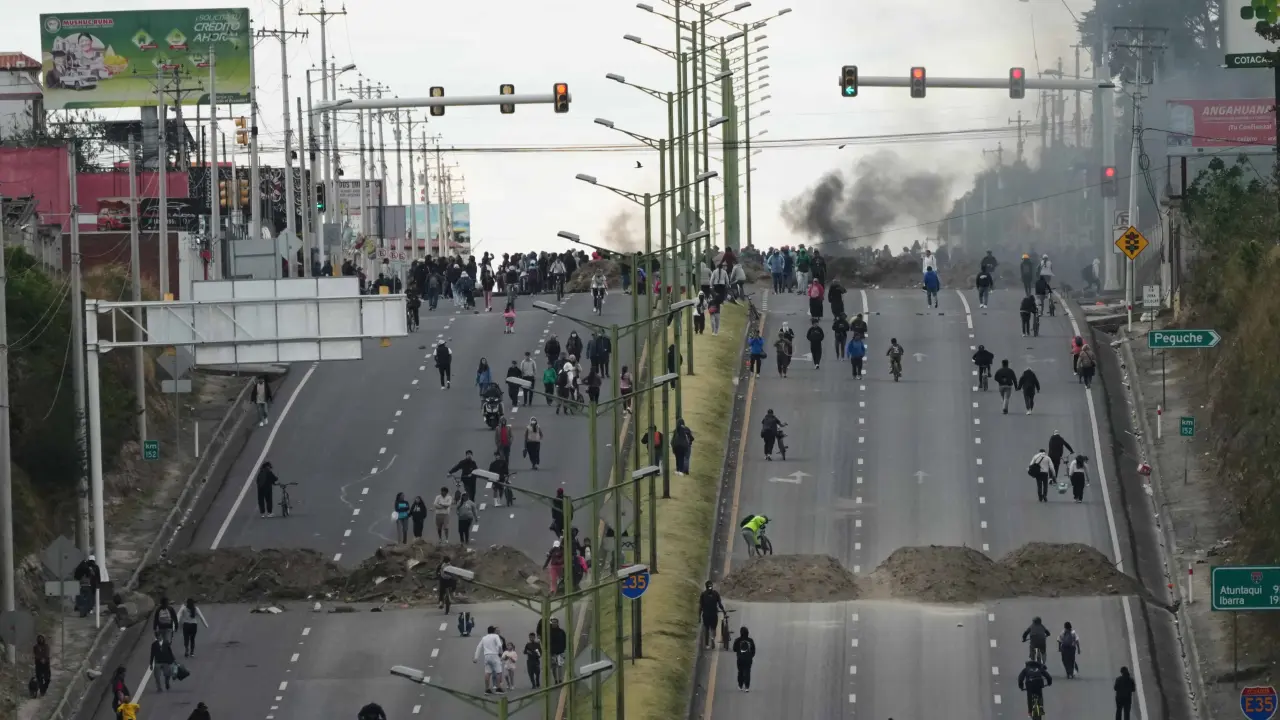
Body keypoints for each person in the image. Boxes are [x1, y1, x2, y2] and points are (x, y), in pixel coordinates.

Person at [475, 625, 506, 694]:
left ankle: (487, 689)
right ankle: (498, 688)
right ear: (494, 631)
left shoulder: (484, 638)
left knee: (487, 672)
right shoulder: (495, 636)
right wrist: (501, 652)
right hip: (494, 655)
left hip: (487, 655)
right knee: (499, 672)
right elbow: (499, 645)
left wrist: (476, 657)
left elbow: (479, 647)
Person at [699, 581, 726, 649]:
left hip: (706, 615)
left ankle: (707, 644)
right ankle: (712, 638)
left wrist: (699, 616)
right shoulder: (716, 594)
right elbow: (720, 604)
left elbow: (701, 607)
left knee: (706, 629)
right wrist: (723, 611)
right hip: (714, 615)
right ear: (712, 586)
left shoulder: (703, 594)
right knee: (713, 628)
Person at [733, 627, 756, 692]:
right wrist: (751, 656)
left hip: (740, 659)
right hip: (748, 659)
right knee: (748, 671)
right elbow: (753, 650)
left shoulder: (737, 640)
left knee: (740, 671)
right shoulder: (750, 641)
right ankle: (747, 687)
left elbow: (734, 649)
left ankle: (740, 685)